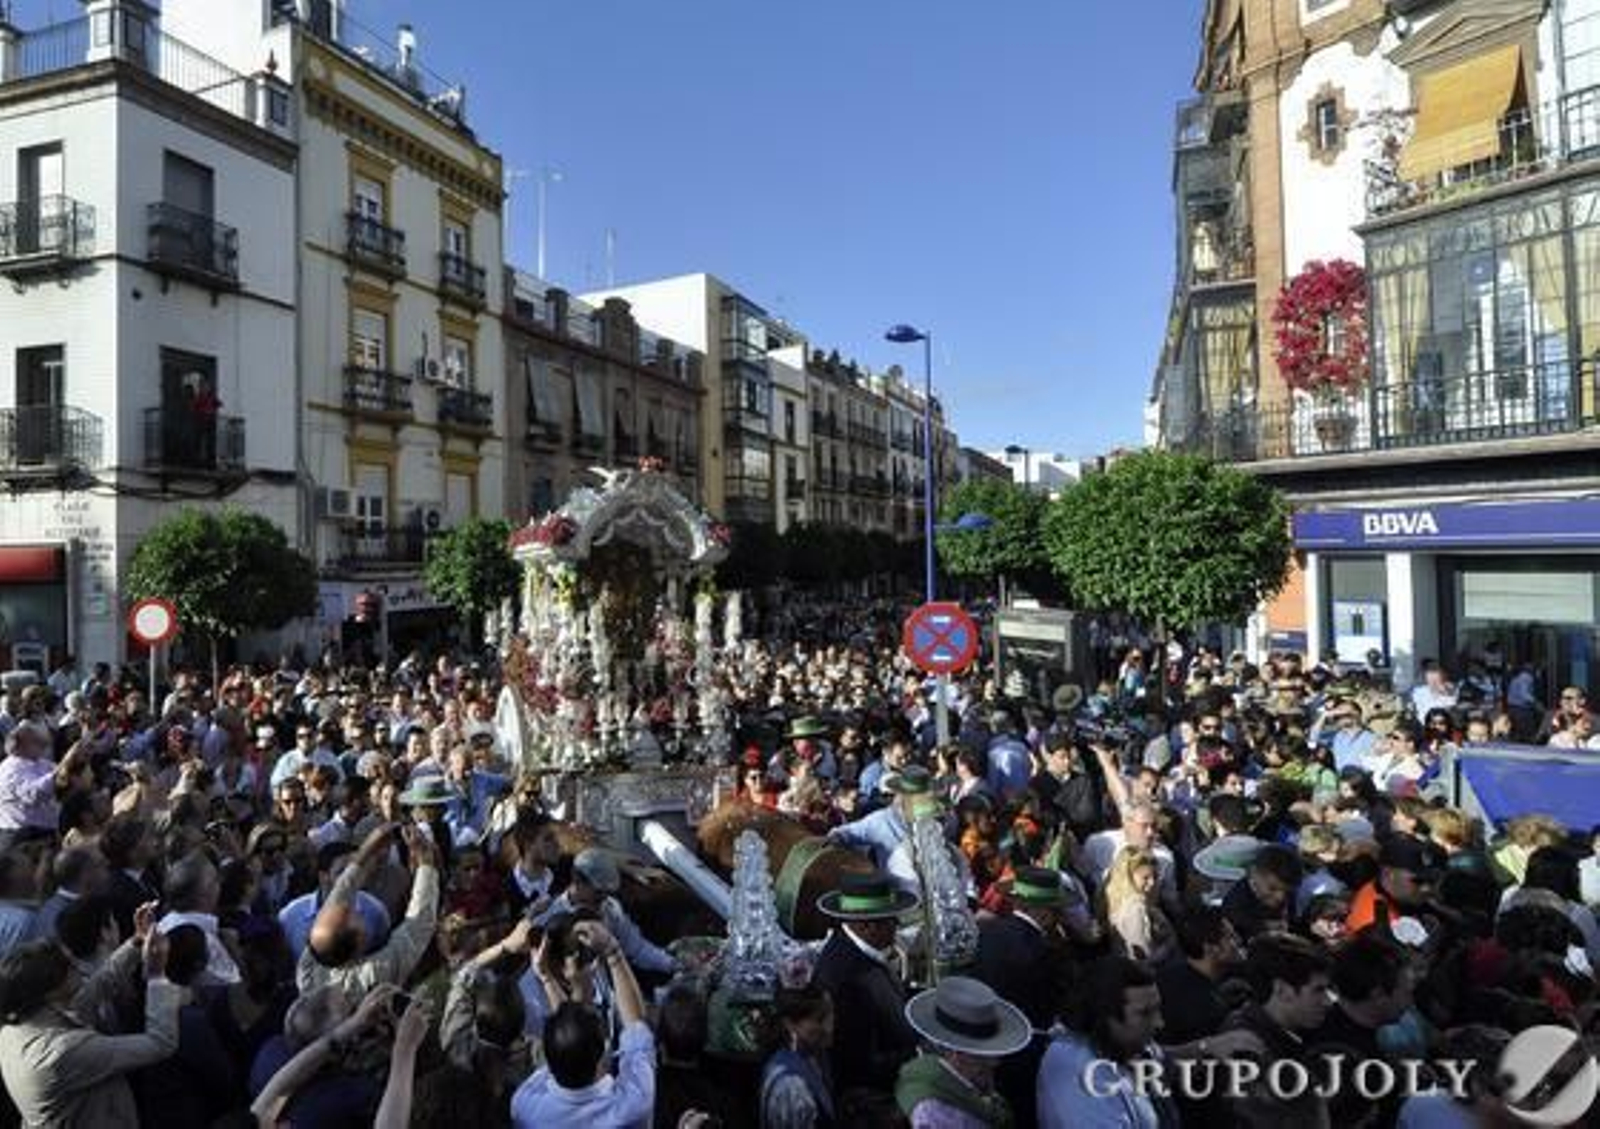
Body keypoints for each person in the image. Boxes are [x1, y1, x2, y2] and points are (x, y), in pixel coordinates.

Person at [1035, 955, 1261, 1129]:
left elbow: (1160, 1060)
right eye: (1145, 1013)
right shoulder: (1080, 1085)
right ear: (1103, 1016)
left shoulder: (1120, 1043)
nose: (1159, 1023)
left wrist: (1209, 1047)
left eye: (1158, 1010)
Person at [0, 908, 179, 1127]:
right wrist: (157, 976)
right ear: (52, 991)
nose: (76, 965)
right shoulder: (62, 1052)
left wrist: (137, 941)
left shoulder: (23, 1022)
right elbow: (161, 1043)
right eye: (68, 967)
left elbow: (100, 984)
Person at [510, 920, 655, 1128]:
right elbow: (637, 1028)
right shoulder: (634, 1104)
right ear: (603, 1056)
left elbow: (569, 1037)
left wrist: (546, 978)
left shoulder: (525, 1106)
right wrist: (613, 952)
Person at [809, 870, 921, 1120]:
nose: (898, 926)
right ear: (867, 926)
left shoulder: (862, 950)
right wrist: (920, 1053)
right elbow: (859, 1066)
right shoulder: (846, 979)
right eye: (892, 920)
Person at [297, 821, 439, 995]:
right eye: (353, 915)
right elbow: (419, 922)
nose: (353, 906)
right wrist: (426, 861)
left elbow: (338, 896)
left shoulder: (308, 970)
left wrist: (365, 851)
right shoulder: (373, 974)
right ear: (360, 940)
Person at [895, 976, 1031, 1127]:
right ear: (956, 1054)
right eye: (983, 1055)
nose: (995, 1062)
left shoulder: (957, 1075)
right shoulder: (935, 1113)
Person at [533, 848, 678, 977]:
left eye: (607, 893)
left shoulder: (610, 907)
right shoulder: (548, 919)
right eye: (598, 892)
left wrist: (674, 964)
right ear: (577, 881)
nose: (603, 898)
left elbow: (637, 949)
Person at [760, 984, 836, 1129]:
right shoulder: (791, 1085)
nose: (828, 1027)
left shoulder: (808, 1059)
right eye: (819, 1020)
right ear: (790, 1024)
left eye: (830, 1015)